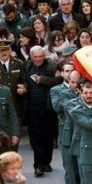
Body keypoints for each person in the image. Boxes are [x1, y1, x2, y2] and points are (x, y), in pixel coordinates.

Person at [17, 46, 62, 176]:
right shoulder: (27, 66)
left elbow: (59, 81)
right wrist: (23, 87)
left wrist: (42, 80)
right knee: (36, 138)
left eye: (40, 56)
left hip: (48, 108)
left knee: (49, 136)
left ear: (44, 56)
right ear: (31, 57)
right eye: (35, 57)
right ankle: (38, 166)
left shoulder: (52, 66)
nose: (38, 59)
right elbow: (24, 81)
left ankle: (46, 162)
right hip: (32, 108)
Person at [50, 64, 82, 184]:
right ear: (62, 74)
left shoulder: (83, 89)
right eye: (67, 71)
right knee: (71, 173)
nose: (69, 74)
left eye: (72, 71)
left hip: (82, 135)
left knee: (82, 173)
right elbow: (57, 107)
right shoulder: (57, 90)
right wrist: (71, 92)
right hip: (67, 135)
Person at [0, 37, 26, 131]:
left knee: (15, 136)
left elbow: (24, 81)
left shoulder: (18, 63)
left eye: (6, 49)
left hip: (15, 104)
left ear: (10, 49)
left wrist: (24, 88)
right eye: (1, 50)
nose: (4, 53)